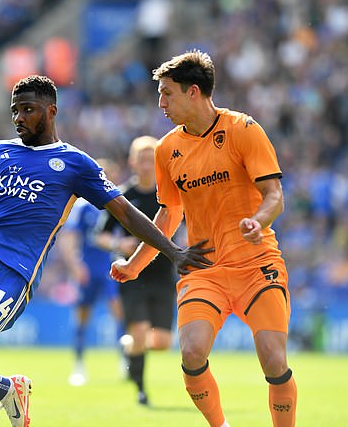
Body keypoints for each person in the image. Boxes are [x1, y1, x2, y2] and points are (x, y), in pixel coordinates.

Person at [0, 74, 212, 427]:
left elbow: (126, 213)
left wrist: (172, 251)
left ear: (51, 110)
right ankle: (6, 388)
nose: (19, 118)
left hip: (13, 275)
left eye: (28, 109)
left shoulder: (75, 164)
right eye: (15, 111)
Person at [111, 50, 297, 427]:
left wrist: (258, 221)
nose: (160, 103)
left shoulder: (243, 130)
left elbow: (274, 195)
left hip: (256, 265)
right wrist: (134, 266)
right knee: (192, 353)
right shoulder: (166, 150)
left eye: (167, 94)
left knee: (274, 360)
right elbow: (168, 215)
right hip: (204, 269)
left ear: (193, 92)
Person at [96, 135, 177, 406]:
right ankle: (141, 391)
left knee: (164, 341)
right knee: (141, 331)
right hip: (132, 274)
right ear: (132, 161)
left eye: (150, 158)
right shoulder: (122, 197)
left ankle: (129, 345)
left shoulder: (170, 196)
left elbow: (181, 228)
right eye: (141, 158)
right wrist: (120, 243)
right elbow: (100, 236)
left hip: (163, 274)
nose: (145, 164)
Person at [57, 157, 124, 387]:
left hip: (110, 268)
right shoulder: (84, 207)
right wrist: (75, 266)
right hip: (88, 268)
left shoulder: (116, 204)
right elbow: (69, 238)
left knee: (119, 313)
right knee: (83, 317)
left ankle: (124, 362)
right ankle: (78, 365)